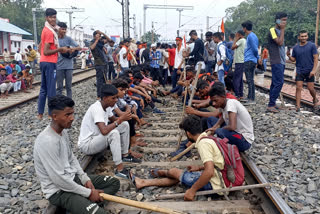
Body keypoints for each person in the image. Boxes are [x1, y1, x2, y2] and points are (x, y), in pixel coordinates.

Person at [33, 95, 120, 214]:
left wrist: (85, 179)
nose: (72, 118)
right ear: (55, 116)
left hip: (73, 180)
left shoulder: (62, 133)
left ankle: (84, 205)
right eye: (67, 115)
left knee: (114, 183)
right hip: (59, 191)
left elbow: (72, 159)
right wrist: (89, 193)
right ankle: (87, 205)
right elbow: (59, 180)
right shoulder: (47, 141)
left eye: (72, 113)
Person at [131, 115, 226, 201]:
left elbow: (209, 172)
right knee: (178, 177)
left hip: (216, 186)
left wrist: (192, 190)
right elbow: (217, 164)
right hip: (222, 179)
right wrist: (199, 168)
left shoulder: (203, 144)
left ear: (188, 133)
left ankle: (161, 173)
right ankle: (143, 182)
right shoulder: (208, 138)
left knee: (174, 172)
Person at [78, 84, 141, 179]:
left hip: (96, 138)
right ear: (105, 98)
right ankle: (120, 169)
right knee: (113, 133)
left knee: (124, 125)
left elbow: (114, 119)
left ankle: (125, 155)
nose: (116, 100)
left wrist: (125, 118)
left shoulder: (106, 106)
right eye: (113, 98)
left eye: (116, 98)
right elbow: (104, 131)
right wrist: (120, 120)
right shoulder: (97, 108)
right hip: (88, 145)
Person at [37, 8, 69, 120]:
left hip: (43, 62)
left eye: (54, 17)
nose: (53, 19)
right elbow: (46, 51)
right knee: (51, 90)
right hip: (50, 63)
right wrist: (59, 49)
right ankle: (51, 113)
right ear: (46, 18)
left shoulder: (46, 29)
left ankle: (40, 113)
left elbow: (40, 47)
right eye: (51, 17)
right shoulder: (50, 32)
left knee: (43, 88)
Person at [206, 82, 253, 152]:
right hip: (235, 133)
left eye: (215, 100)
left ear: (223, 97)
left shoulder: (231, 103)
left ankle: (218, 142)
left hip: (244, 140)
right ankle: (217, 141)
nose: (213, 104)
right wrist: (214, 127)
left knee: (221, 131)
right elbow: (222, 118)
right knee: (211, 119)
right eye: (212, 101)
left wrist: (216, 130)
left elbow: (232, 127)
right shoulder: (223, 105)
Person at [287, 30, 319, 112]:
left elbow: (315, 58)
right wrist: (289, 56)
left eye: (305, 36)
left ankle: (315, 99)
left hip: (309, 71)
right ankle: (297, 106)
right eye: (302, 36)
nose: (304, 38)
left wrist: (314, 70)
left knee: (311, 88)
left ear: (307, 37)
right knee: (298, 88)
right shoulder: (296, 48)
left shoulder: (312, 46)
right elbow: (294, 59)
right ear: (299, 37)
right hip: (300, 70)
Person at [267, 12, 288, 113]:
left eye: (285, 20)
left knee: (274, 82)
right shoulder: (272, 30)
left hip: (282, 61)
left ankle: (273, 103)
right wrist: (283, 29)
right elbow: (279, 42)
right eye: (283, 20)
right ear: (277, 20)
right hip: (276, 60)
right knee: (279, 82)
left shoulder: (280, 31)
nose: (285, 22)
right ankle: (271, 104)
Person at [56, 22, 81, 99]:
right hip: (59, 66)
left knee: (68, 86)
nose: (64, 31)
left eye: (65, 29)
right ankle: (59, 102)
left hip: (69, 66)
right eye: (62, 29)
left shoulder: (68, 39)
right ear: (58, 29)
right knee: (59, 87)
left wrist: (71, 49)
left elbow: (79, 47)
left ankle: (69, 102)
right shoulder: (55, 39)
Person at [241, 20, 259, 105]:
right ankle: (249, 96)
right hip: (251, 60)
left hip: (249, 60)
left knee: (249, 80)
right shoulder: (253, 36)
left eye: (243, 28)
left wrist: (256, 57)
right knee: (250, 80)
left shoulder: (250, 36)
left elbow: (255, 49)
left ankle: (252, 99)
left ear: (245, 28)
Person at [90, 30, 112, 98]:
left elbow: (109, 40)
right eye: (98, 35)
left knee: (105, 79)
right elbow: (92, 48)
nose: (99, 36)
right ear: (94, 36)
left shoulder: (101, 42)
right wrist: (96, 40)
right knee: (100, 80)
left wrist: (102, 33)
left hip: (104, 62)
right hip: (99, 63)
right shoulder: (92, 42)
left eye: (100, 35)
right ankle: (99, 95)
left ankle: (104, 93)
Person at [231, 30, 246, 99]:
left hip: (239, 61)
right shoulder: (244, 40)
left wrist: (235, 40)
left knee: (236, 79)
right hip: (241, 61)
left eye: (236, 35)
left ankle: (237, 94)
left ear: (239, 35)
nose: (235, 36)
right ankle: (240, 94)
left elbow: (232, 47)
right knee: (239, 79)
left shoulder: (241, 40)